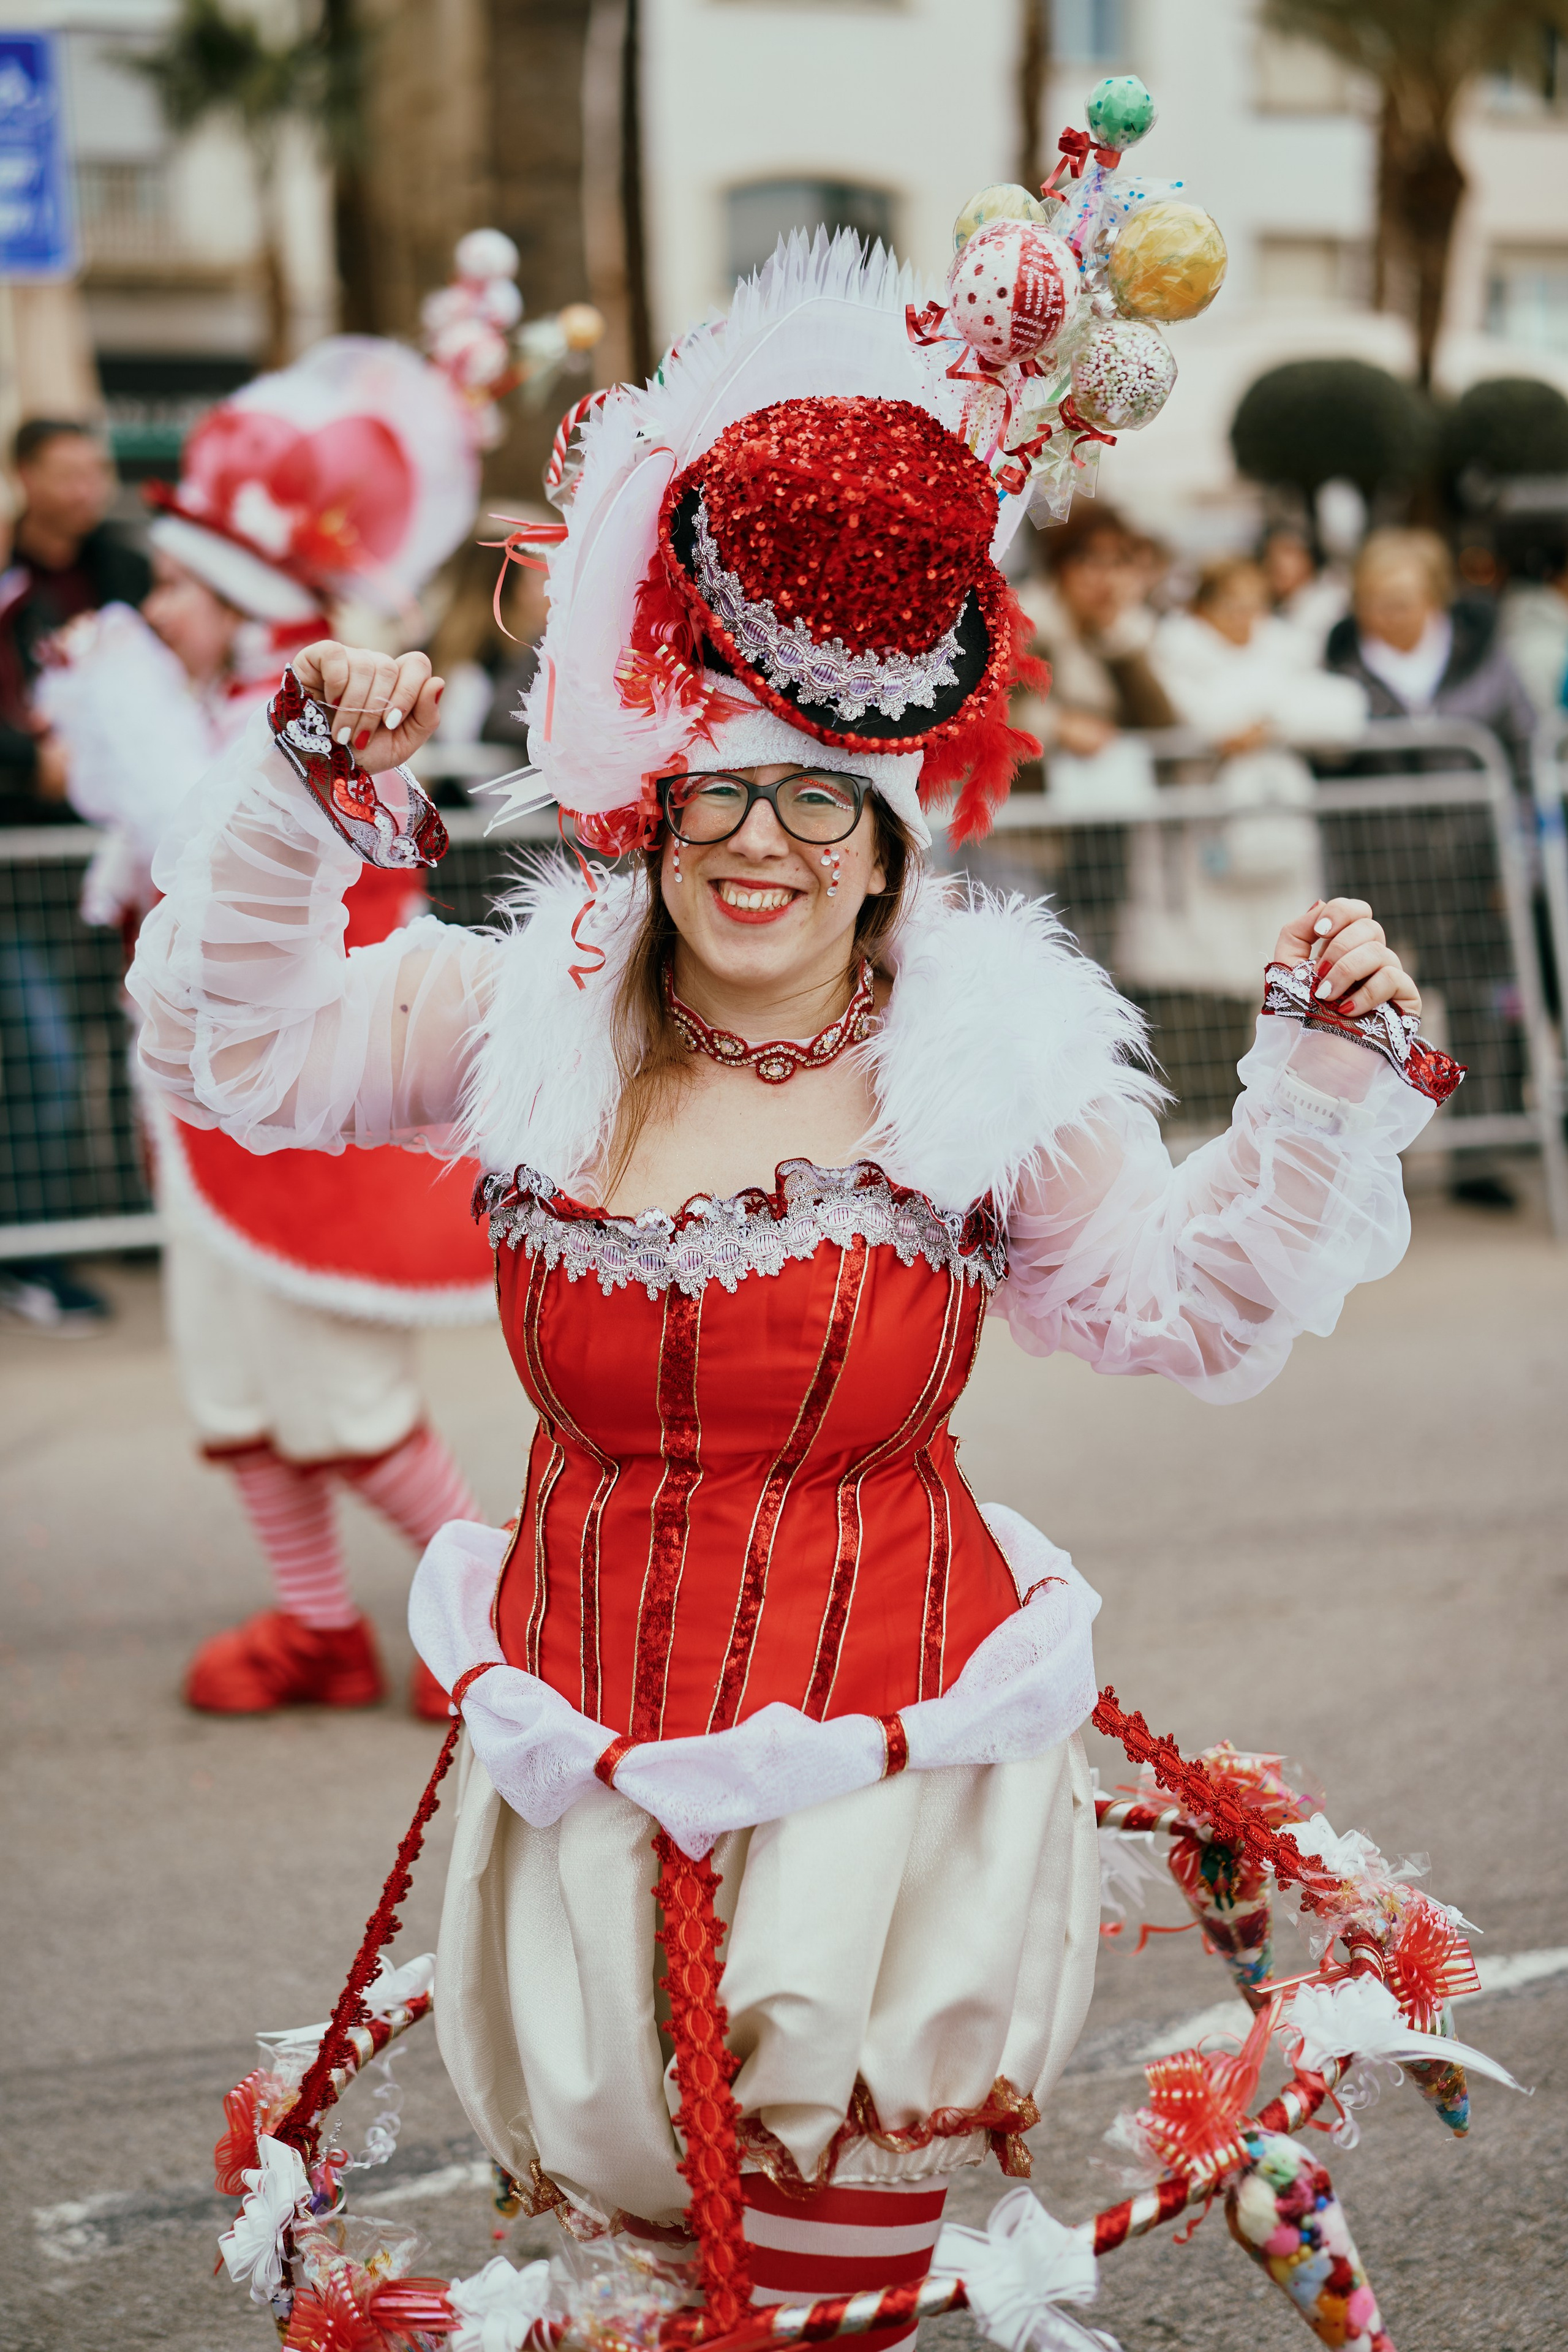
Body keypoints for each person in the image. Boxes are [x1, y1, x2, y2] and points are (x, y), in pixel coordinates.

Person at [129, 241, 1453, 2313]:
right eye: (721, 796)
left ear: (900, 832)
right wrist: (304, 792)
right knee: (643, 2281)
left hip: (878, 1803)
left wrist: (1306, 1091)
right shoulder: (529, 1010)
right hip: (576, 1760)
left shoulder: (983, 1062)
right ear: (649, 810)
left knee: (820, 2297)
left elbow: (1179, 1314)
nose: (768, 848)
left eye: (827, 805)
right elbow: (240, 1050)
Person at [39, 338, 497, 1717]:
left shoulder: (302, 725)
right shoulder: (216, 713)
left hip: (300, 1109)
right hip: (201, 1112)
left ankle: (489, 1614)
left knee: (344, 1399)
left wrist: (131, 733)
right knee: (238, 1389)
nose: (157, 600)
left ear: (247, 609)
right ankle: (316, 1626)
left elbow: (267, 886)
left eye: (183, 582)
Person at [1324, 530, 1537, 1205]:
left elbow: (1525, 745)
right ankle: (1380, 1156)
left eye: (1403, 601)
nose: (1389, 615)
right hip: (1379, 861)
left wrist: (1520, 854)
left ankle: (1482, 1152)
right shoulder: (1338, 664)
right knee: (1373, 1013)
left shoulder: (1483, 658)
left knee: (1481, 1003)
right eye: (1376, 603)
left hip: (1476, 859)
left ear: (1433, 597)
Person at [0, 423, 154, 1333]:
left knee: (125, 1043)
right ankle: (34, 1253)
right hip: (22, 867)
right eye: (70, 471)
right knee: (44, 1059)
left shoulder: (126, 570)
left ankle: (127, 1213)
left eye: (99, 469)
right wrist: (31, 766)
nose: (90, 487)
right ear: (27, 478)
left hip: (115, 858)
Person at [1117, 558, 1365, 1121]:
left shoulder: (1283, 651)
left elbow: (1343, 713)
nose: (1245, 617)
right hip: (1196, 864)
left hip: (1275, 856)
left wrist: (1264, 723)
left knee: (1270, 1006)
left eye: (1255, 602)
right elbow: (1193, 719)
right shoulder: (1174, 652)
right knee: (1194, 1007)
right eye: (1231, 602)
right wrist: (1260, 718)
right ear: (1202, 607)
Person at [1010, 507, 1175, 965]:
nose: (1105, 578)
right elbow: (993, 718)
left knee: (1098, 974)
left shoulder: (1126, 638)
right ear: (1061, 565)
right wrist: (1060, 728)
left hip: (1102, 838)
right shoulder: (1026, 629)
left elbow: (1165, 725)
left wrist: (1120, 646)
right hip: (1027, 838)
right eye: (1090, 561)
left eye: (1119, 562)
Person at [1259, 523, 1346, 656]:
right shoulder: (1278, 606)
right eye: (1269, 555)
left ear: (1310, 557)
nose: (1277, 563)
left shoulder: (1330, 602)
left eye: (1288, 552)